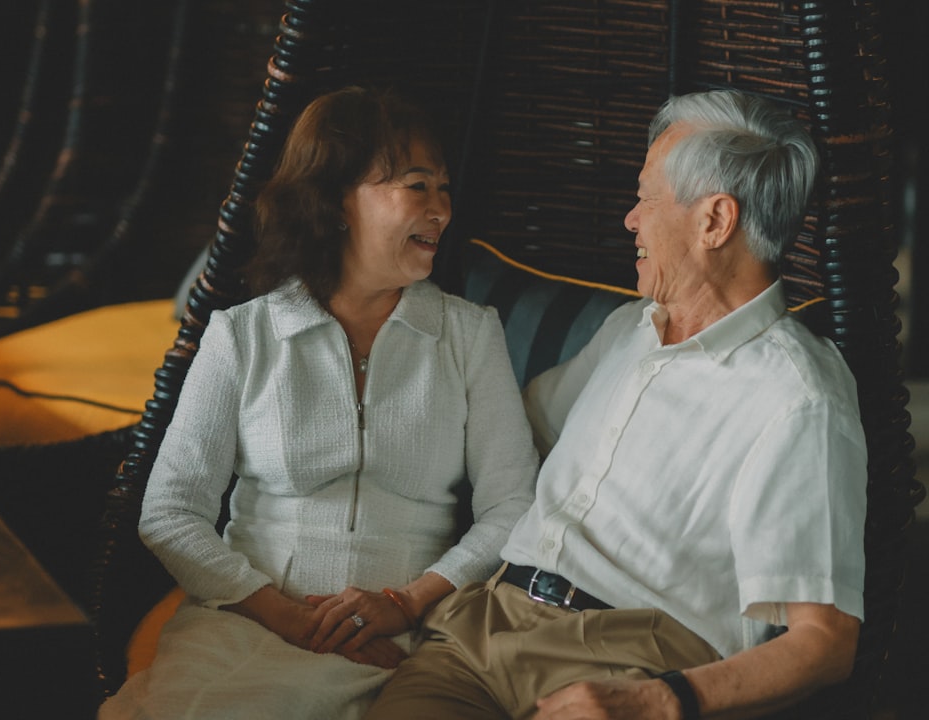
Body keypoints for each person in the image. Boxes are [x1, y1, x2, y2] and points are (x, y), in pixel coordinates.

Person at [365, 89, 868, 720]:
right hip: (479, 632)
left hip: (630, 662)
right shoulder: (631, 329)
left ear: (715, 221)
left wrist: (661, 700)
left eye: (646, 198)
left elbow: (826, 645)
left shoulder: (799, 398)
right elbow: (508, 432)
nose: (631, 219)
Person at [98, 86, 537, 720]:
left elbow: (514, 505)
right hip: (248, 618)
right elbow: (169, 513)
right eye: (417, 186)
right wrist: (285, 615)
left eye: (444, 188)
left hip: (404, 632)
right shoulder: (242, 335)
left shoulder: (470, 334)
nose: (441, 209)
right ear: (337, 202)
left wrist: (408, 602)